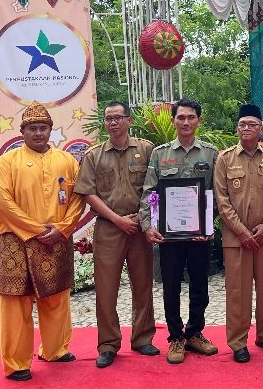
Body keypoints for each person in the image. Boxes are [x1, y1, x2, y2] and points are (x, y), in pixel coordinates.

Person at [0, 102, 84, 382]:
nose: (38, 133)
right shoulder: (8, 161)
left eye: (43, 128)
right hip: (16, 241)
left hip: (57, 238)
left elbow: (78, 197)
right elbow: (0, 200)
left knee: (56, 297)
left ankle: (54, 350)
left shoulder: (67, 161)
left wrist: (63, 228)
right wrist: (34, 229)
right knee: (16, 301)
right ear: (23, 131)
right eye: (33, 128)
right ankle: (16, 363)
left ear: (51, 131)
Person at [74, 102, 159, 368]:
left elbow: (155, 187)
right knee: (106, 289)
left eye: (118, 118)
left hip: (139, 227)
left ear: (128, 120)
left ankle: (143, 337)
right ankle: (108, 344)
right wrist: (117, 219)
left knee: (143, 284)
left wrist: (142, 218)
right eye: (108, 119)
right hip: (109, 228)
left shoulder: (146, 150)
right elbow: (89, 194)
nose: (113, 123)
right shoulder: (94, 155)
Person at [139, 98, 220, 365]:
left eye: (191, 117)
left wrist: (210, 225)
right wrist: (148, 226)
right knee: (171, 286)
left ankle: (195, 332)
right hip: (169, 235)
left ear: (199, 120)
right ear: (174, 120)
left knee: (200, 285)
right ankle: (176, 336)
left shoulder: (210, 153)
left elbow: (217, 195)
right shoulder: (160, 154)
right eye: (181, 117)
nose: (186, 122)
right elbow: (150, 192)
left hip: (199, 234)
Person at [215, 104, 263, 363]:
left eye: (251, 124)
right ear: (237, 128)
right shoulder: (225, 158)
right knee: (238, 292)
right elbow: (222, 200)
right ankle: (238, 341)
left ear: (261, 129)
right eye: (242, 124)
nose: (246, 128)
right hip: (237, 239)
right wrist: (242, 231)